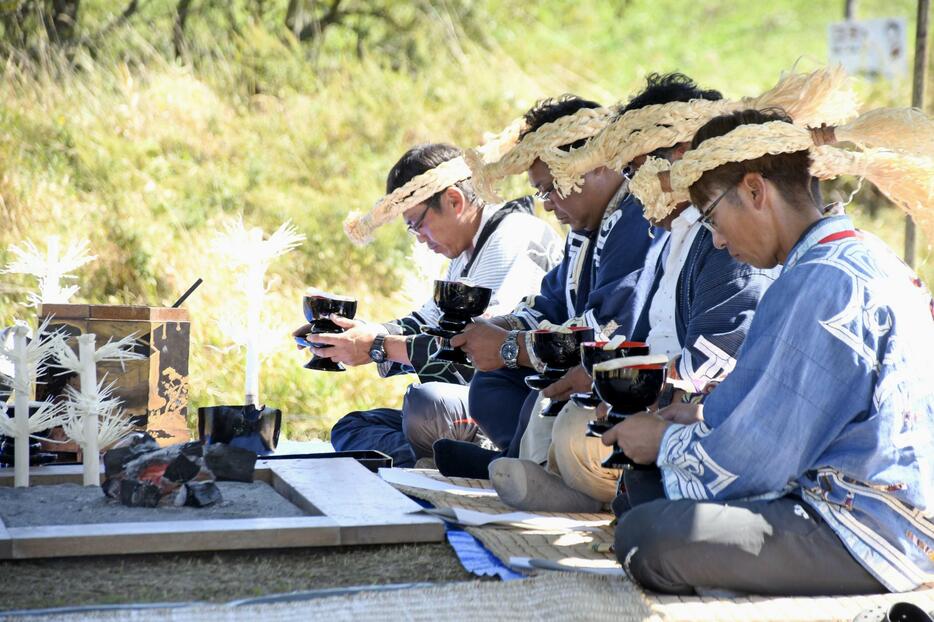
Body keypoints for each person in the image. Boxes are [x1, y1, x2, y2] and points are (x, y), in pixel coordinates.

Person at [604, 107, 934, 595]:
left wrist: (663, 442)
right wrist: (695, 417)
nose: (716, 240)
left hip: (871, 526)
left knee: (646, 535)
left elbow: (759, 458)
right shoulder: (858, 254)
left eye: (713, 217)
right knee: (646, 496)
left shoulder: (821, 281)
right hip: (893, 510)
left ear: (756, 191)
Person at [487, 73, 779, 512]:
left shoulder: (725, 239)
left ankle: (597, 496)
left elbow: (714, 361)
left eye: (633, 170)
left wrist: (633, 391)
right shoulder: (676, 231)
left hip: (714, 417)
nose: (633, 188)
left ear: (681, 156)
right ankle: (582, 488)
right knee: (555, 408)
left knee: (574, 428)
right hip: (671, 396)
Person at [432, 95, 667, 478]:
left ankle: (530, 468)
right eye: (540, 192)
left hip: (628, 384)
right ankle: (521, 461)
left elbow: (606, 332)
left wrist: (509, 348)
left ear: (597, 165)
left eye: (551, 187)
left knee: (546, 396)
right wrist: (495, 330)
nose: (546, 204)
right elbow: (550, 305)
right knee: (490, 385)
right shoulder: (585, 228)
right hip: (578, 376)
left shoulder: (637, 218)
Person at [298, 143, 562, 467]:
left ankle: (457, 461)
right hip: (464, 408)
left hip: (508, 404)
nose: (420, 237)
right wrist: (351, 334)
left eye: (417, 224)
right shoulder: (468, 249)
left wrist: (378, 346)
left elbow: (472, 352)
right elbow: (426, 322)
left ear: (454, 200)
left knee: (426, 405)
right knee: (353, 427)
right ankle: (444, 461)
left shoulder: (514, 237)